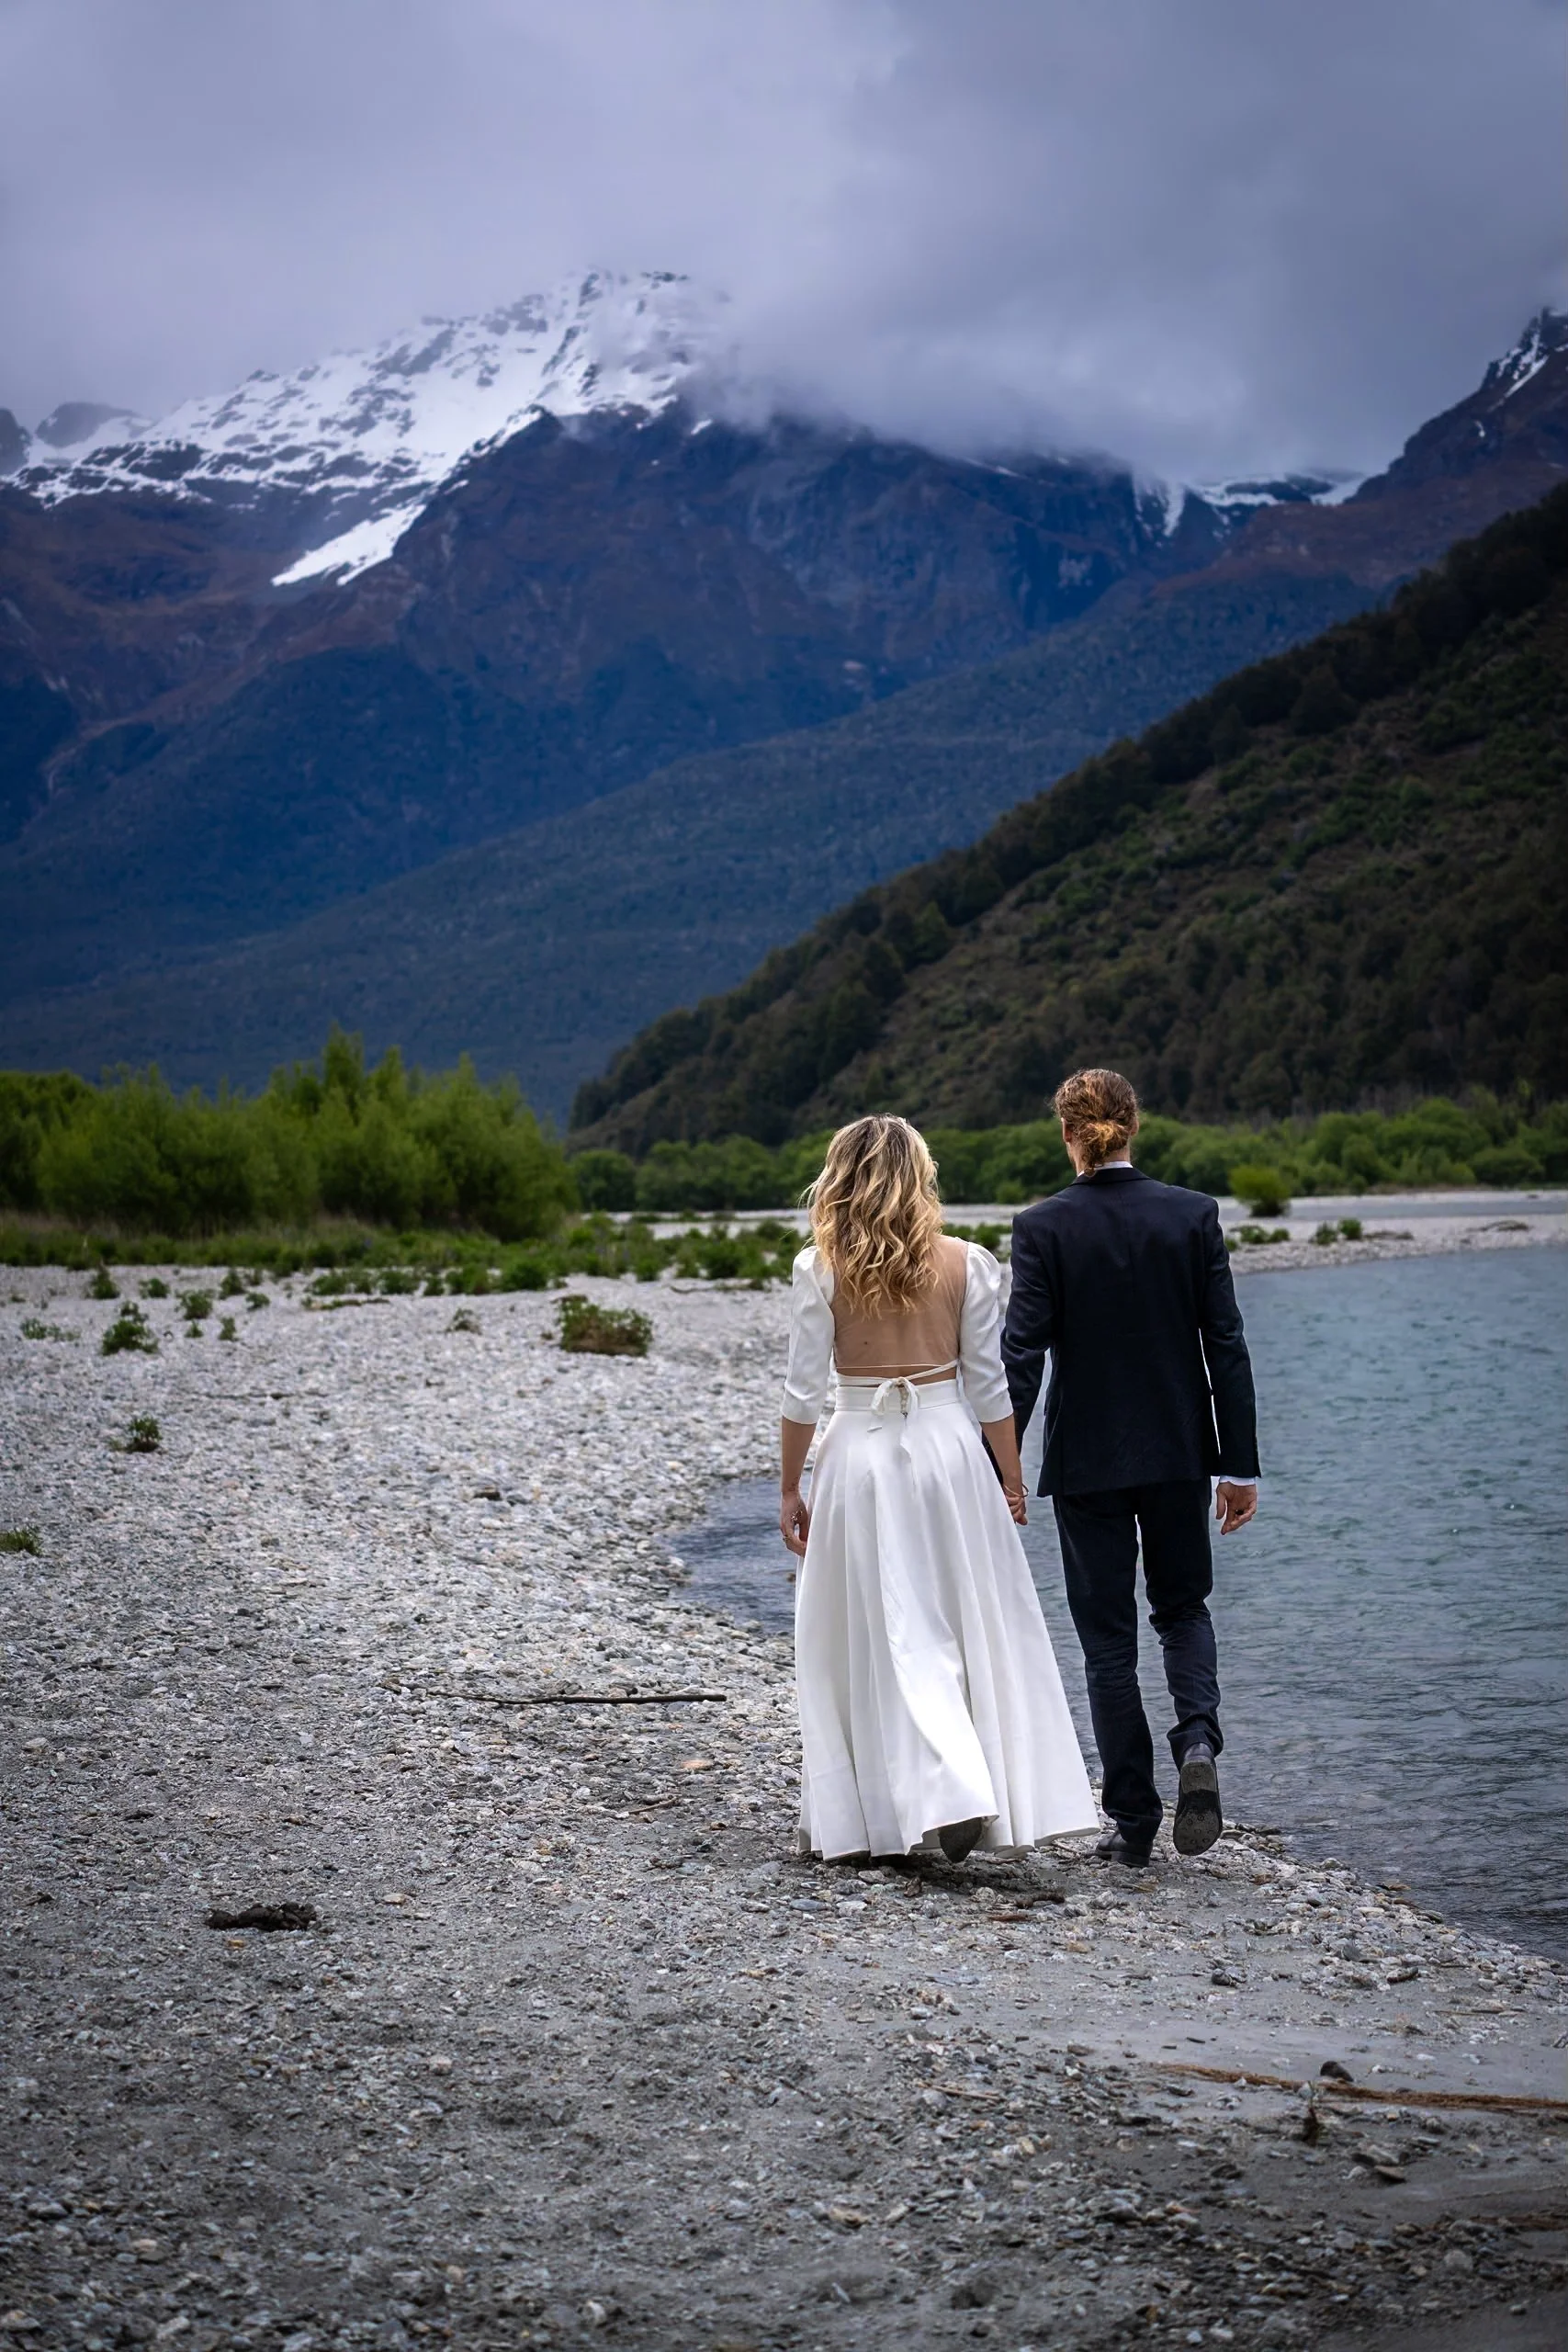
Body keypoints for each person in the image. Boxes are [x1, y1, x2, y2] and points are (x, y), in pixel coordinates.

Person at [780, 1114, 1097, 1864]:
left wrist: (790, 1487)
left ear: (840, 1176)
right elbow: (989, 1386)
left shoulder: (818, 1267)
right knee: (963, 1621)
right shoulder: (966, 1262)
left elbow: (800, 1395)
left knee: (869, 1631)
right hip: (950, 1452)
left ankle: (911, 1801)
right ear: (918, 1175)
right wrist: (1010, 1478)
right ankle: (962, 1788)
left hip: (859, 1454)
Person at [1002, 1068, 1259, 1868]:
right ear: (1132, 1127)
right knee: (1182, 1611)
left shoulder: (1041, 1226)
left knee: (1107, 1644)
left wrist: (999, 1463)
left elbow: (1022, 1355)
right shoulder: (1190, 1215)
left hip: (1084, 1462)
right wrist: (1239, 1466)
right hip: (1180, 1451)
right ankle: (1198, 1744)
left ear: (1067, 1133)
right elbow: (1226, 1344)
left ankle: (1134, 1823)